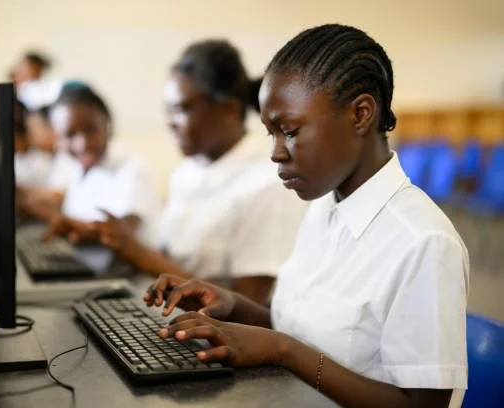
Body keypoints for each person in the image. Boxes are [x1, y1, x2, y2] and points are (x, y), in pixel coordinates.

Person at [143, 24, 469, 408]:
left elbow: (421, 405)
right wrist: (231, 305)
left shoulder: (423, 243)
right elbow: (297, 327)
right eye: (271, 134)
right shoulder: (323, 207)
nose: (276, 153)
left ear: (361, 114)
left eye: (290, 131)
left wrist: (284, 351)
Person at [46, 40, 306, 304]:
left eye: (181, 109)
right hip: (168, 313)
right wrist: (104, 236)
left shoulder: (268, 184)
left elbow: (249, 305)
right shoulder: (187, 172)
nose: (170, 122)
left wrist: (135, 251)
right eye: (168, 110)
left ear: (228, 108)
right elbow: (168, 259)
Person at [40, 85, 161, 247]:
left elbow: (125, 230)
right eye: (70, 134)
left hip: (131, 270)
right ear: (58, 138)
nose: (82, 143)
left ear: (108, 126)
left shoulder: (132, 169)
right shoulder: (78, 167)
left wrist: (79, 229)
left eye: (91, 130)